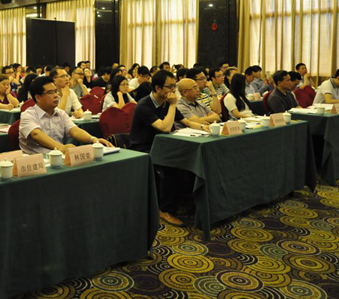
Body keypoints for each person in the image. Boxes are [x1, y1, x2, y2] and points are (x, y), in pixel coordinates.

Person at [128, 70, 209, 226]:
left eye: (174, 86)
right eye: (170, 87)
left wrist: (204, 128)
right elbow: (164, 128)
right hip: (144, 147)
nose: (173, 91)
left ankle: (188, 200)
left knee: (191, 158)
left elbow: (187, 122)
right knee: (168, 166)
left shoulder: (166, 102)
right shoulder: (144, 105)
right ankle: (165, 209)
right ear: (158, 88)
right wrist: (172, 105)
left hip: (165, 145)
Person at [19, 76, 112, 154]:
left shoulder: (60, 113)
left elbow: (75, 131)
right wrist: (60, 147)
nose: (56, 95)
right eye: (50, 93)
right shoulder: (28, 115)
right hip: (35, 161)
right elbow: (36, 134)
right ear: (38, 97)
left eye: (56, 91)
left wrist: (94, 140)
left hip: (58, 158)